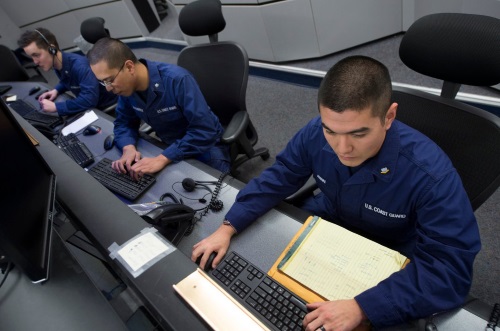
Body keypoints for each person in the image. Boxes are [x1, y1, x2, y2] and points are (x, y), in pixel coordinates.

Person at [191, 56, 481, 330]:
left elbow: (449, 270)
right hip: (335, 217)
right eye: (331, 131)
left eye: (358, 133)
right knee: (264, 267)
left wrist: (364, 308)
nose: (342, 149)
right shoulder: (316, 132)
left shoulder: (431, 175)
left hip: (393, 245)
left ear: (389, 116)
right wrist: (229, 226)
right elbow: (280, 176)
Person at [86, 37, 230, 178]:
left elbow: (204, 130)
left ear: (129, 67)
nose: (108, 89)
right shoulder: (126, 88)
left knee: (216, 196)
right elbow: (124, 122)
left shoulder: (177, 80)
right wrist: (128, 147)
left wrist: (163, 158)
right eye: (103, 82)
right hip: (168, 147)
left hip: (205, 147)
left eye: (109, 80)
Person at [17, 28, 117, 115]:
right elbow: (70, 80)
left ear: (52, 49)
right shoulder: (59, 63)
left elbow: (89, 100)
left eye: (37, 55)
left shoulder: (79, 66)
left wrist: (57, 107)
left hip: (107, 109)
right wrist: (56, 90)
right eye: (32, 57)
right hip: (94, 106)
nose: (35, 62)